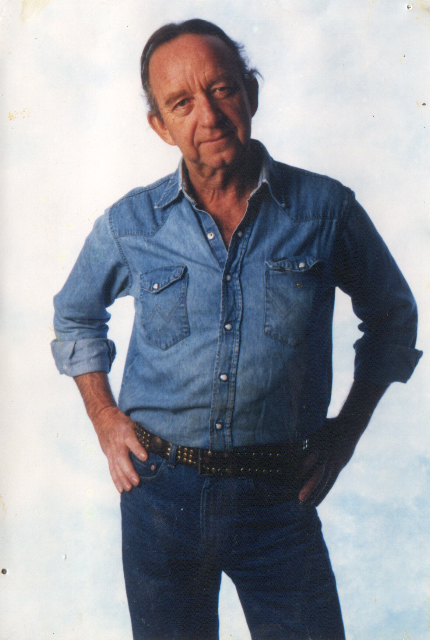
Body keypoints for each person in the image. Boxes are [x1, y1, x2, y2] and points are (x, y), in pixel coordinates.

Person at [51, 18, 422, 640]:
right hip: (159, 498)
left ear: (250, 92)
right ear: (160, 126)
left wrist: (347, 431)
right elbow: (74, 315)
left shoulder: (326, 211)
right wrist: (104, 416)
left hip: (280, 497)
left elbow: (393, 319)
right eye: (181, 103)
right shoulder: (131, 223)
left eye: (222, 89)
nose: (209, 115)